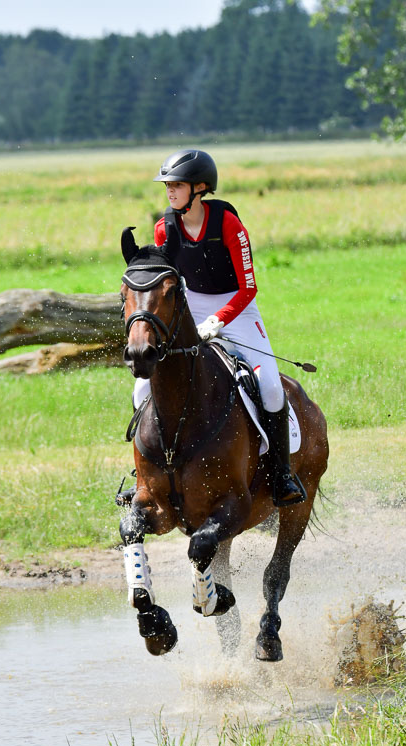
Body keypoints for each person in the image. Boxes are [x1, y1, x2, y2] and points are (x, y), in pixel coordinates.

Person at [118, 149, 306, 508]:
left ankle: (282, 475)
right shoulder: (164, 228)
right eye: (167, 185)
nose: (170, 192)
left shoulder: (229, 226)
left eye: (177, 185)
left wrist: (218, 320)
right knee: (143, 390)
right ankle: (143, 478)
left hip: (237, 307)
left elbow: (249, 287)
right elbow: (164, 281)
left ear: (200, 187)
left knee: (269, 387)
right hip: (190, 305)